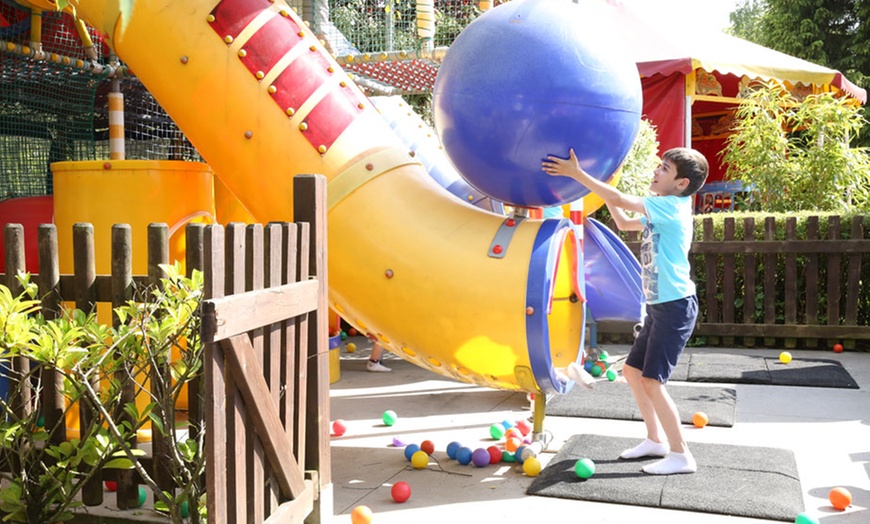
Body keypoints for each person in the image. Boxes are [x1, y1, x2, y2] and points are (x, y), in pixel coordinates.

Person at [542, 147, 708, 475]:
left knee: (652, 381)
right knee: (633, 373)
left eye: (665, 168)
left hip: (675, 308)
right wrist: (599, 183)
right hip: (661, 307)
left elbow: (621, 199)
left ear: (680, 183)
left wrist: (578, 174)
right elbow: (621, 218)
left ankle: (681, 455)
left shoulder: (672, 207)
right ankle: (655, 440)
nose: (657, 171)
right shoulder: (662, 207)